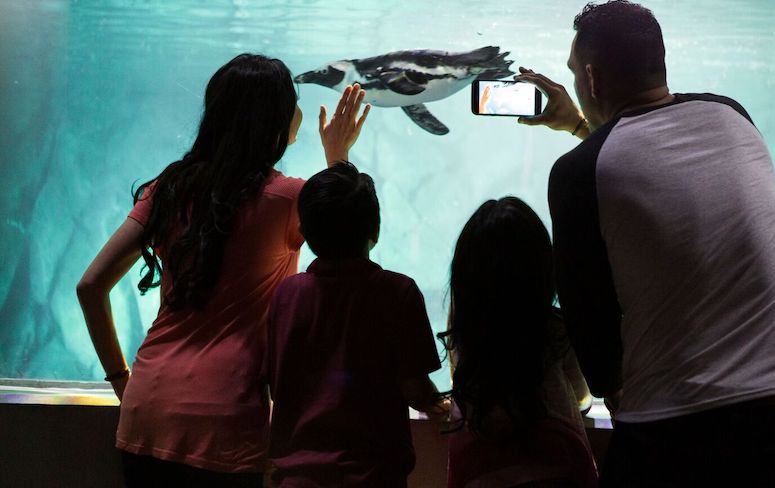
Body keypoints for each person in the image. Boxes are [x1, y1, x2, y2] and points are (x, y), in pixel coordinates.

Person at [515, 0, 775, 487]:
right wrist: (580, 126)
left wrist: (619, 400)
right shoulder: (732, 115)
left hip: (673, 427)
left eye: (574, 72)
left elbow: (587, 322)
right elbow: (658, 161)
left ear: (591, 80)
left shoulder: (576, 174)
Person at [76, 53, 370, 487]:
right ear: (276, 120)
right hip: (227, 419)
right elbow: (348, 242)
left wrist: (122, 379)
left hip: (147, 409)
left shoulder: (168, 188)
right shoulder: (289, 200)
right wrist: (338, 159)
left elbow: (90, 286)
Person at [265, 161, 445, 487]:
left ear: (303, 233)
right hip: (372, 476)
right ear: (375, 228)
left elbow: (277, 385)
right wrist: (441, 404)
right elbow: (416, 390)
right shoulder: (397, 292)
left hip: (295, 478)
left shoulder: (286, 294)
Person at [439, 196, 598, 488]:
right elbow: (581, 396)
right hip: (557, 461)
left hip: (478, 463)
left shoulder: (465, 326)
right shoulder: (557, 327)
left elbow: (456, 375)